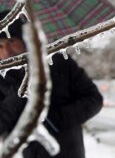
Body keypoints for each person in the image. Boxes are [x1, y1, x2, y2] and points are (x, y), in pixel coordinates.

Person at [0, 10, 103, 158]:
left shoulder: (57, 62)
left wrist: (56, 119)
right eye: (0, 46)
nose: (7, 51)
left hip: (68, 151)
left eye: (11, 41)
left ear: (25, 39)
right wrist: (19, 95)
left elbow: (93, 99)